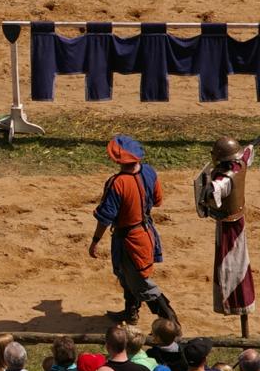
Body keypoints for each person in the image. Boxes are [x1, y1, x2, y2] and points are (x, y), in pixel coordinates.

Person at [90, 135, 177, 324]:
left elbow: (105, 218)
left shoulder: (117, 183)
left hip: (129, 240)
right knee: (126, 275)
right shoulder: (149, 172)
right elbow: (158, 200)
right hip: (146, 233)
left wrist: (95, 240)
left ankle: (171, 323)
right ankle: (130, 313)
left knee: (141, 284)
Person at [195, 137, 256, 318]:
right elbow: (247, 152)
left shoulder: (224, 179)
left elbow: (213, 192)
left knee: (231, 264)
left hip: (229, 225)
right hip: (239, 218)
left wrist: (206, 194)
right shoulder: (241, 164)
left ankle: (236, 303)